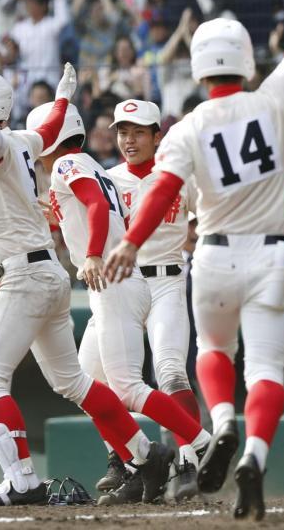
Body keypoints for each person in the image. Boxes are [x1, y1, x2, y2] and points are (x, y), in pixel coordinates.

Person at [104, 0, 284, 521]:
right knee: (266, 369)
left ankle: (221, 424)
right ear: (244, 57)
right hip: (273, 256)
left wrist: (131, 241)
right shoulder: (274, 97)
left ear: (198, 65)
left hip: (211, 256)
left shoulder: (185, 126)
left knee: (213, 351)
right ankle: (254, 458)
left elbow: (161, 189)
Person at [0, 67, 173, 507]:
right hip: (47, 273)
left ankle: (22, 480)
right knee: (75, 383)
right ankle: (147, 455)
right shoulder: (27, 141)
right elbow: (46, 129)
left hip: (27, 278)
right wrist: (64, 98)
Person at [103, 99, 203, 500]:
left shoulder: (179, 176)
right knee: (106, 380)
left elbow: (209, 215)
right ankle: (134, 468)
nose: (129, 140)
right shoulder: (107, 178)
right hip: (122, 284)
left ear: (157, 137)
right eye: (123, 132)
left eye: (139, 132)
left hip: (167, 280)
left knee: (170, 372)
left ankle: (190, 462)